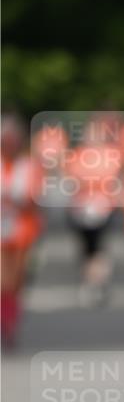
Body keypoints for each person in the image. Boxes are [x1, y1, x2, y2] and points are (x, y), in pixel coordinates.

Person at [64, 113, 120, 308]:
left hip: (104, 208)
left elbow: (111, 177)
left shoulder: (110, 153)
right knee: (86, 249)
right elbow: (72, 178)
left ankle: (97, 282)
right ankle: (90, 281)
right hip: (81, 209)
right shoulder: (77, 155)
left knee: (99, 248)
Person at [1, 112, 42, 347]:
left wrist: (18, 201)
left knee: (15, 282)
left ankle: (10, 321)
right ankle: (5, 318)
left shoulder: (29, 166)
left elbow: (35, 200)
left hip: (21, 231)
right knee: (2, 280)